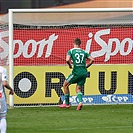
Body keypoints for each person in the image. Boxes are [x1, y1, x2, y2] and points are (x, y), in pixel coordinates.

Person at [59, 38, 94, 110]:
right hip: (84, 72)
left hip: (76, 72)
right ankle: (80, 102)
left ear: (73, 43)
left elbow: (67, 59)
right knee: (78, 89)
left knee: (65, 85)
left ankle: (67, 103)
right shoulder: (84, 51)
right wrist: (87, 66)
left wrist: (69, 65)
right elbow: (92, 59)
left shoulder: (71, 51)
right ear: (80, 44)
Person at [0, 66, 14, 133]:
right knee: (2, 116)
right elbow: (4, 83)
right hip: (0, 96)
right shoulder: (2, 69)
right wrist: (11, 89)